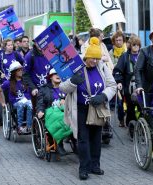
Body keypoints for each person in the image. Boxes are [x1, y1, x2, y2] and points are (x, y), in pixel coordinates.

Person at [60, 37, 116, 180]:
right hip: (80, 109)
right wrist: (72, 82)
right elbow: (62, 87)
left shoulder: (102, 67)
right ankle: (83, 168)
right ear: (86, 57)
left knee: (96, 138)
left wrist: (103, 96)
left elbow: (112, 85)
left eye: (97, 58)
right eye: (92, 58)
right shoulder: (75, 67)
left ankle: (95, 165)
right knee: (83, 139)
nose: (94, 61)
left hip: (97, 108)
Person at [36, 68, 72, 155]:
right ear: (51, 77)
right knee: (61, 118)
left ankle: (75, 141)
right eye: (55, 74)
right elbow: (40, 102)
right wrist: (40, 111)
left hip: (64, 109)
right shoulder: (44, 89)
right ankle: (59, 144)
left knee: (75, 116)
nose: (58, 75)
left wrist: (65, 101)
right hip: (50, 111)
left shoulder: (66, 87)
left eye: (59, 73)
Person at [0, 62, 32, 134]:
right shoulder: (8, 83)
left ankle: (29, 126)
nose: (20, 71)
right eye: (18, 70)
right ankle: (20, 127)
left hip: (26, 100)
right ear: (14, 72)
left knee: (30, 105)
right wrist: (2, 102)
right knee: (20, 105)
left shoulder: (25, 81)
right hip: (16, 102)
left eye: (21, 69)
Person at [113, 35, 141, 127]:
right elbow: (117, 71)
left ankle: (141, 125)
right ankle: (131, 126)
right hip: (129, 86)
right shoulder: (125, 57)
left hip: (141, 85)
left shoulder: (142, 55)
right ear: (130, 46)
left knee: (142, 106)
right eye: (134, 45)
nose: (136, 47)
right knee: (131, 107)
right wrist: (119, 82)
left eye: (137, 45)